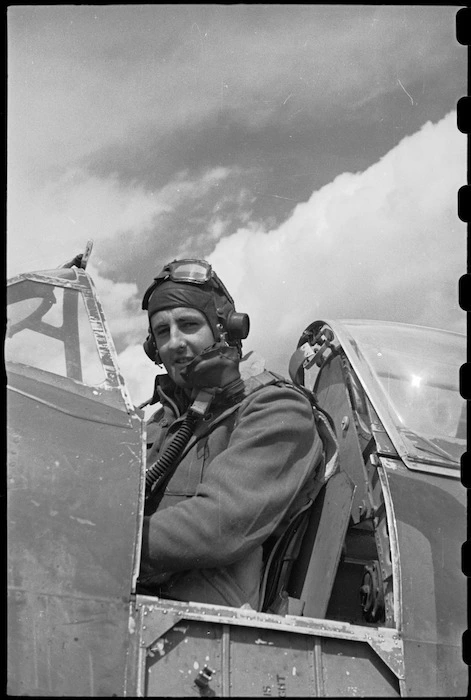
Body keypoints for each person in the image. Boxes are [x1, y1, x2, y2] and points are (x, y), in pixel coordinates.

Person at [137, 258, 325, 610]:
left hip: (206, 629)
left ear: (225, 330)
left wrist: (103, 541)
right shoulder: (157, 423)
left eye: (189, 325)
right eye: (163, 332)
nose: (175, 342)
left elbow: (220, 526)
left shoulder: (276, 407)